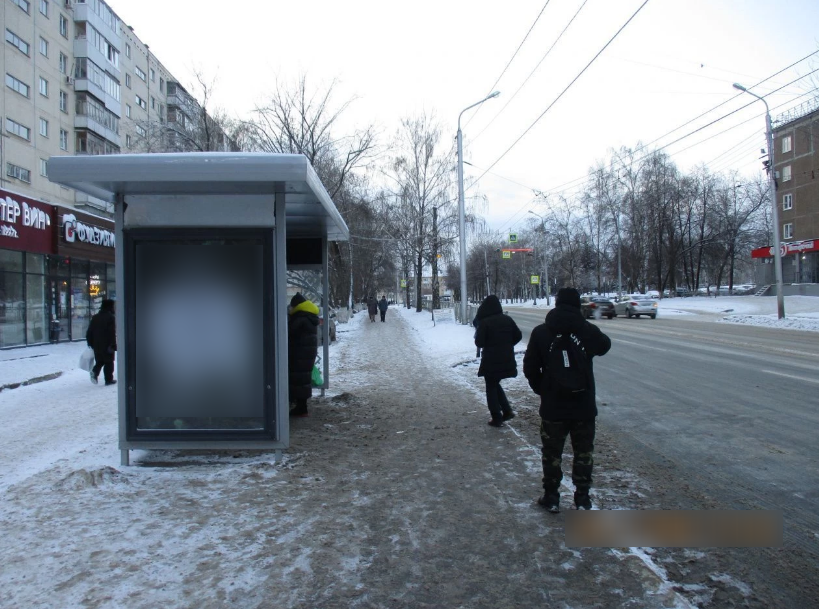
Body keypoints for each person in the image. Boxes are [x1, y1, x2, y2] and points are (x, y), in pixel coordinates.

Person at [523, 287, 611, 513]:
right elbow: (604, 345)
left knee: (551, 453)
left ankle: (551, 497)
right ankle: (582, 499)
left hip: (553, 406)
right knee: (583, 453)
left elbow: (530, 366)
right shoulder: (586, 330)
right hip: (583, 405)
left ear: (556, 303)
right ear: (577, 305)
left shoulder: (541, 332)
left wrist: (543, 389)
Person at [473, 294, 522, 427]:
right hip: (507, 358)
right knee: (494, 383)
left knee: (491, 386)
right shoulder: (507, 319)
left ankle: (497, 417)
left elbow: (480, 342)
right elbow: (518, 335)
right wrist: (506, 345)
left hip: (491, 360)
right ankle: (506, 411)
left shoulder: (485, 322)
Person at [288, 292, 319, 417]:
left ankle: (301, 408)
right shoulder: (309, 316)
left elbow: (289, 332)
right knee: (303, 380)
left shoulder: (300, 318)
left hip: (299, 353)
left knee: (299, 380)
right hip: (306, 353)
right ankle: (301, 406)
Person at [86, 299, 117, 386]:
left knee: (100, 360)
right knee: (109, 362)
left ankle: (95, 372)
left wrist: (90, 342)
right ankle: (108, 379)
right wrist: (113, 344)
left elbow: (89, 331)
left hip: (96, 344)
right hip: (107, 344)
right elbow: (111, 332)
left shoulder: (95, 317)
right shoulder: (110, 318)